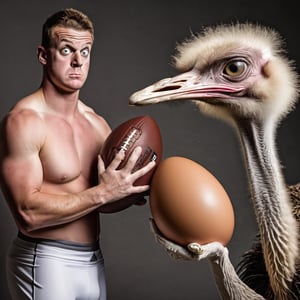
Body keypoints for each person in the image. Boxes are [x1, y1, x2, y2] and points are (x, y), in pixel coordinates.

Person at [0, 8, 155, 300]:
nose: (78, 61)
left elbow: (109, 193)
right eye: (67, 50)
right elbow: (27, 214)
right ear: (44, 55)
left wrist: (134, 189)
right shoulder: (24, 121)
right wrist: (104, 193)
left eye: (85, 52)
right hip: (44, 260)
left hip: (92, 260)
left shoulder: (97, 124)